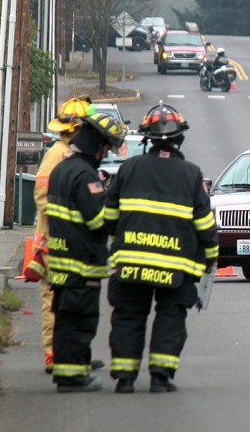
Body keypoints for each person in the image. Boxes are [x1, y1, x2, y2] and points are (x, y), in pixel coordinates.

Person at [105, 103, 218, 394]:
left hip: (131, 263)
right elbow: (205, 227)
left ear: (148, 139)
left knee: (128, 315)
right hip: (175, 268)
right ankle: (160, 376)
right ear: (180, 138)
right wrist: (211, 259)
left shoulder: (128, 169)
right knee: (171, 315)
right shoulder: (192, 175)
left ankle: (125, 378)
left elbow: (109, 219)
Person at [46, 112, 126, 393]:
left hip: (62, 261)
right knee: (80, 320)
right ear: (97, 145)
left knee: (67, 318)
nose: (106, 154)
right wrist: (111, 197)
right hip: (81, 263)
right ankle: (71, 378)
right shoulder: (86, 176)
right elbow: (98, 220)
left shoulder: (62, 169)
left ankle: (75, 369)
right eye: (106, 148)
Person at [26, 96, 105, 375]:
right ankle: (55, 355)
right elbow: (43, 196)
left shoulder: (65, 152)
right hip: (54, 241)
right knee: (55, 301)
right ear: (76, 127)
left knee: (66, 301)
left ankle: (73, 354)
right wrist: (59, 229)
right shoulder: (59, 154)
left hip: (56, 239)